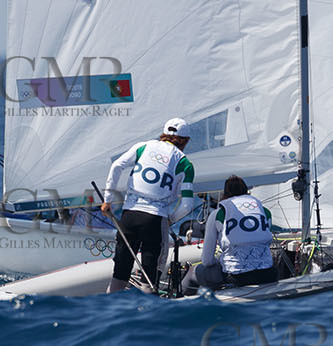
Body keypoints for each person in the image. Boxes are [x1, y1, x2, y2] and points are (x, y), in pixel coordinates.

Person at [101, 117, 196, 293]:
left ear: (164, 134)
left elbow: (116, 166)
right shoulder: (185, 164)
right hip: (155, 218)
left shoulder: (143, 146)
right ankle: (147, 311)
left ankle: (109, 308)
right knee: (150, 274)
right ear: (185, 141)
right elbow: (187, 205)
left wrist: (108, 200)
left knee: (120, 271)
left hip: (129, 215)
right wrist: (169, 220)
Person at [185, 175, 277, 292]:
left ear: (225, 193)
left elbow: (207, 261)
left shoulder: (218, 214)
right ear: (246, 191)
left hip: (236, 277)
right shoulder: (265, 212)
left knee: (193, 272)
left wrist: (219, 261)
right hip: (268, 274)